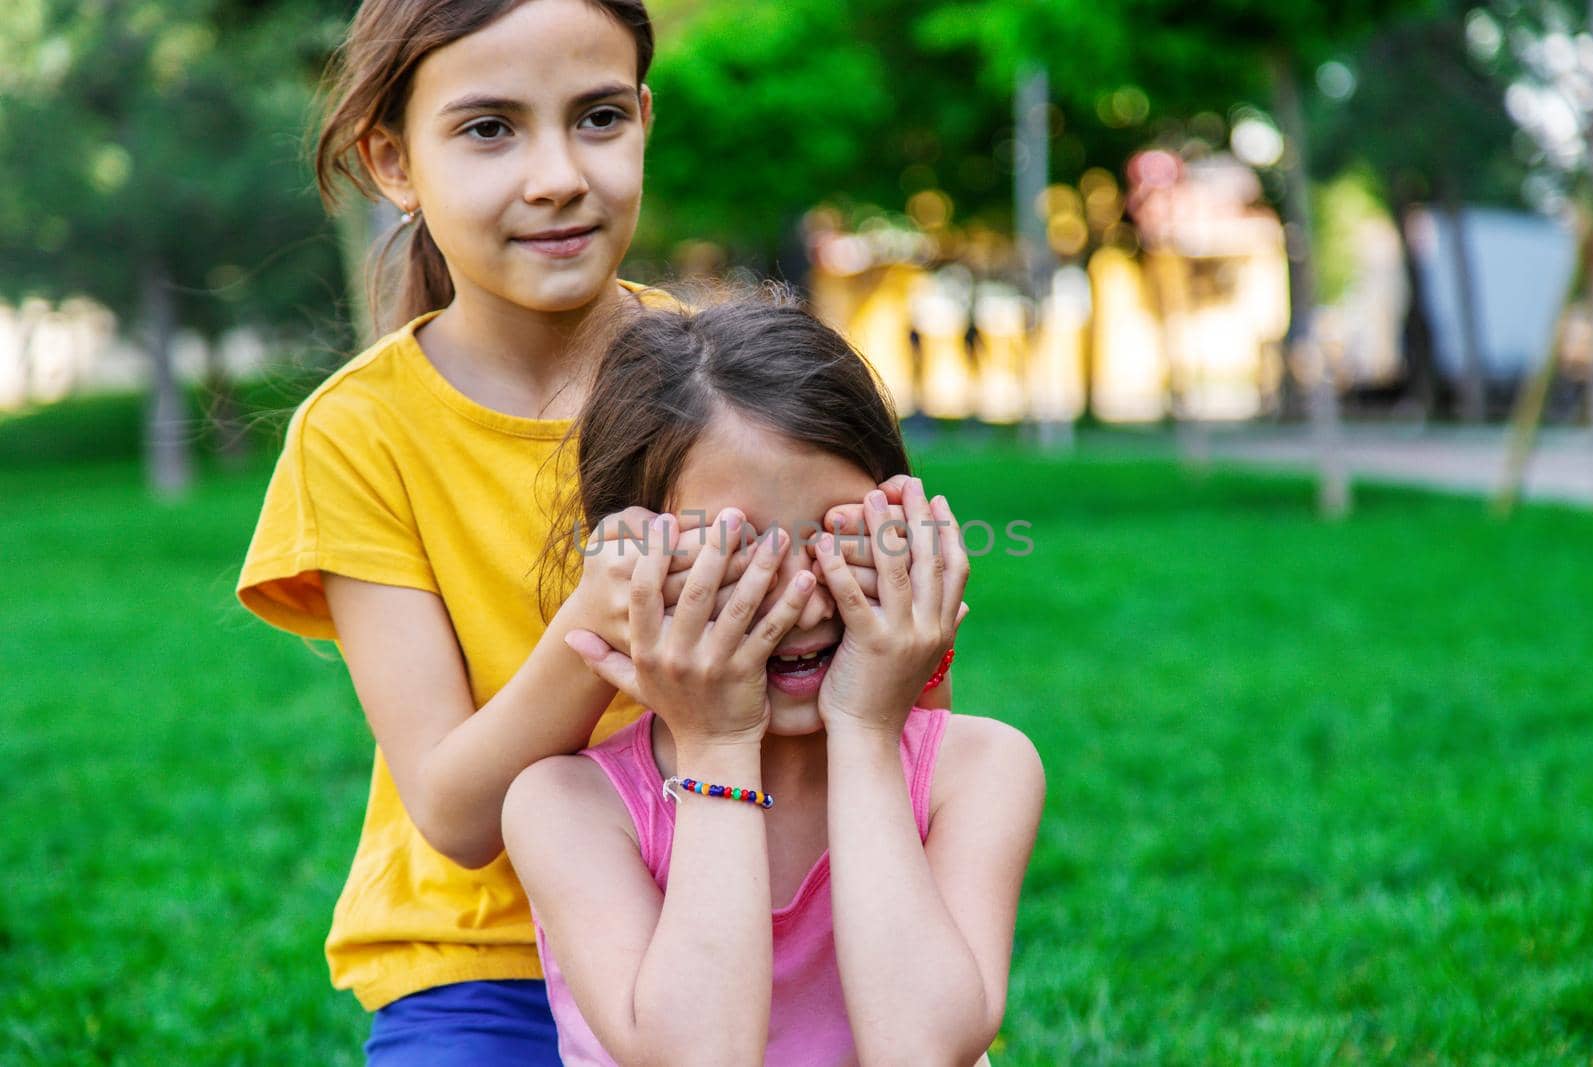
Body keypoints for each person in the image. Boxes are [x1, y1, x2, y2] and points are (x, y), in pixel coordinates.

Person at [235, 2, 952, 1061]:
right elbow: (454, 810)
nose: (558, 174)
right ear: (393, 159)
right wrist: (601, 615)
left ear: (645, 121)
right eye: (489, 129)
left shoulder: (732, 384)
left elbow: (880, 692)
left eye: (599, 117)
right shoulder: (359, 435)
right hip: (483, 961)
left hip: (757, 914)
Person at [504, 296, 1044, 1065]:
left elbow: (923, 1048)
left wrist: (864, 729)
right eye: (739, 549)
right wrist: (717, 744)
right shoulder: (568, 808)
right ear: (630, 573)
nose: (803, 595)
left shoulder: (980, 769)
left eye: (839, 530)